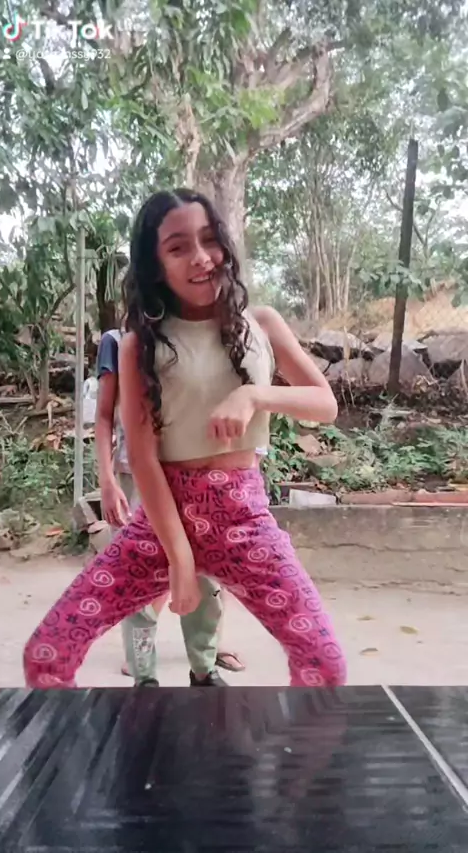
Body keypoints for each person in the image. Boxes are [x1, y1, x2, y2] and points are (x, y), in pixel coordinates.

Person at [23, 187, 347, 689]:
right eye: (178, 247)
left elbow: (324, 404)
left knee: (324, 662)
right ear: (155, 265)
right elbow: (143, 459)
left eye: (209, 239)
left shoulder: (261, 323)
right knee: (48, 652)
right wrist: (180, 558)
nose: (201, 257)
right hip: (160, 522)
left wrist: (254, 396)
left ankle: (281, 743)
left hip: (243, 518)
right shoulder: (138, 345)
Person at [95, 325, 245, 685]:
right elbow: (104, 415)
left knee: (207, 569)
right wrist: (106, 480)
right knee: (142, 574)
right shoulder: (118, 342)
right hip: (138, 474)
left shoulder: (199, 335)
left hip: (194, 473)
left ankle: (205, 664)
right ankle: (142, 671)